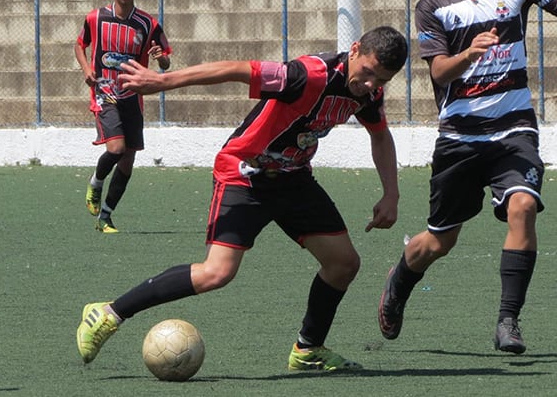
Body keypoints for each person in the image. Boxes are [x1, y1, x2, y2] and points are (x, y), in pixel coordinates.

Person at [75, 25, 409, 371]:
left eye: (381, 80)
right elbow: (235, 69)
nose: (369, 84)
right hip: (245, 173)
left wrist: (392, 193)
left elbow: (380, 136)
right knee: (216, 273)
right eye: (367, 72)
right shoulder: (307, 74)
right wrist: (163, 81)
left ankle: (308, 349)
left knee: (343, 264)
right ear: (354, 50)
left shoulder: (368, 94)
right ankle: (109, 313)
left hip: (293, 179)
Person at [377, 0, 557, 355]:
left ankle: (508, 321)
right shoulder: (432, 5)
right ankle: (400, 280)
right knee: (439, 241)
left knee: (523, 207)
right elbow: (439, 72)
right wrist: (468, 54)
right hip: (460, 136)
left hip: (514, 129)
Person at [74, 0, 172, 233]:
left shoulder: (148, 24)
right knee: (116, 149)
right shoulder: (95, 18)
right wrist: (86, 69)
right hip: (105, 93)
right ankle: (96, 182)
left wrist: (160, 58)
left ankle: (105, 217)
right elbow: (80, 44)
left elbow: (165, 61)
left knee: (128, 160)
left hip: (133, 96)